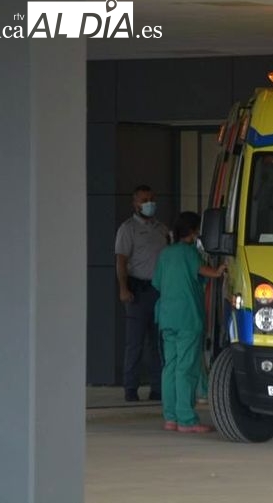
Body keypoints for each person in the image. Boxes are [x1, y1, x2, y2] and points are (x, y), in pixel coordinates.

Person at [152, 211, 225, 433]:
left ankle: (170, 417)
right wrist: (219, 270)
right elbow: (207, 272)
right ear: (193, 232)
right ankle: (186, 419)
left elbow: (157, 283)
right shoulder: (190, 253)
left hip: (167, 317)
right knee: (186, 368)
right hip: (188, 318)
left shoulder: (166, 254)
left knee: (170, 367)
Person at [114, 185, 169, 402]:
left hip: (159, 291)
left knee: (157, 343)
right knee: (134, 343)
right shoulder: (127, 229)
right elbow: (121, 261)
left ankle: (157, 388)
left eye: (152, 199)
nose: (149, 203)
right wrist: (123, 288)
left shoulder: (162, 229)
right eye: (144, 200)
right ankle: (130, 389)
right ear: (135, 203)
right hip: (137, 291)